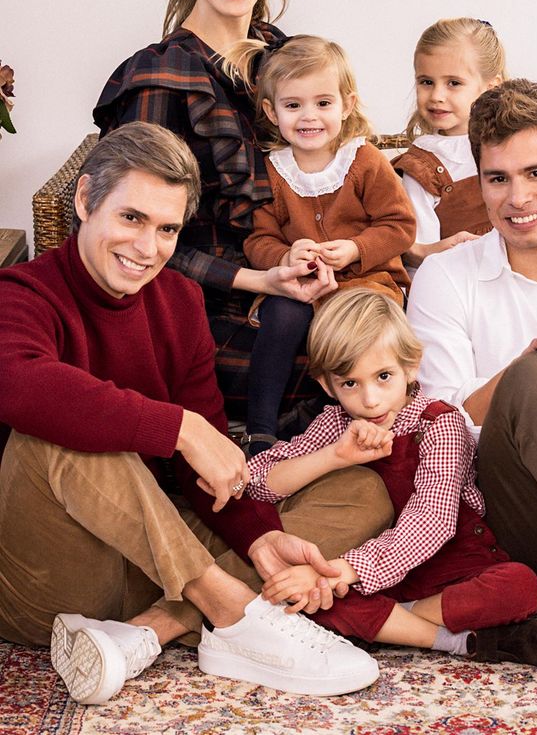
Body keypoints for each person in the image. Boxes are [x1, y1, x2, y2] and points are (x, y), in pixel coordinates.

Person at [0, 122, 393, 705]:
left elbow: (202, 469)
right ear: (85, 200)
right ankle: (232, 611)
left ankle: (151, 630)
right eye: (131, 218)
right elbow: (18, 386)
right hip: (52, 577)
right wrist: (178, 428)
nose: (146, 248)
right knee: (60, 435)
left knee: (361, 492)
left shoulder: (180, 302)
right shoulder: (21, 292)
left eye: (166, 229)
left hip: (150, 560)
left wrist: (259, 540)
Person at [93, 0, 335, 423]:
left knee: (399, 341)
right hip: (202, 308)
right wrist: (259, 281)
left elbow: (339, 179)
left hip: (294, 277)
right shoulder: (161, 79)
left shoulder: (292, 59)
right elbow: (129, 237)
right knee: (348, 368)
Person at [406, 79, 537, 682]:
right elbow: (432, 428)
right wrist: (522, 372)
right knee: (536, 378)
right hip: (525, 528)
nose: (517, 198)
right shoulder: (447, 276)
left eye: (536, 173)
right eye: (498, 179)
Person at [245, 289, 537, 666]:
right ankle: (449, 639)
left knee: (523, 586)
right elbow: (255, 481)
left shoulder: (440, 423)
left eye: (383, 376)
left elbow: (432, 521)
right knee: (297, 596)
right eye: (350, 384)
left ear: (411, 367)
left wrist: (339, 571)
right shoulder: (335, 425)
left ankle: (395, 621)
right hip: (370, 576)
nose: (370, 400)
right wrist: (332, 456)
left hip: (454, 568)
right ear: (327, 385)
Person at [234, 34, 415, 455]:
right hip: (304, 287)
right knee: (282, 313)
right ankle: (260, 430)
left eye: (323, 103)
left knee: (361, 331)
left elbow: (399, 224)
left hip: (366, 283)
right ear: (271, 111)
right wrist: (285, 255)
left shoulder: (364, 160)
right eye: (293, 105)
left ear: (346, 105)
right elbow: (258, 237)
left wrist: (355, 248)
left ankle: (371, 412)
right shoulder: (273, 172)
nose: (308, 117)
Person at [393, 18, 537, 270]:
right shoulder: (421, 166)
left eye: (453, 83)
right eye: (426, 82)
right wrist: (440, 253)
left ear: (491, 86)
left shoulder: (534, 140)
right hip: (471, 283)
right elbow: (419, 259)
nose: (436, 96)